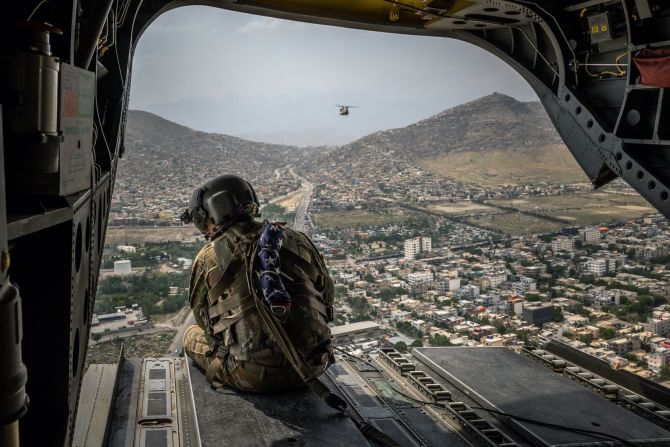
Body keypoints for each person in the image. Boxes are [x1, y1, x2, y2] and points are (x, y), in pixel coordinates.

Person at [180, 174, 335, 393]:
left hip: (252, 377)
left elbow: (203, 320)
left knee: (190, 335)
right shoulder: (297, 239)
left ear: (213, 212)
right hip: (314, 366)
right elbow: (327, 296)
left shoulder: (208, 256)